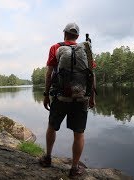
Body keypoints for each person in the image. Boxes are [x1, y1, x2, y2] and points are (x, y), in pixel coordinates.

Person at [39, 22, 96, 178]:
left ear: (64, 33)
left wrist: (46, 94)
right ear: (77, 36)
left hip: (60, 97)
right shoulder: (85, 49)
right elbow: (92, 75)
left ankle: (47, 158)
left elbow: (49, 73)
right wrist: (92, 97)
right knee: (79, 134)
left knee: (52, 127)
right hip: (81, 98)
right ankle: (74, 168)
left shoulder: (55, 48)